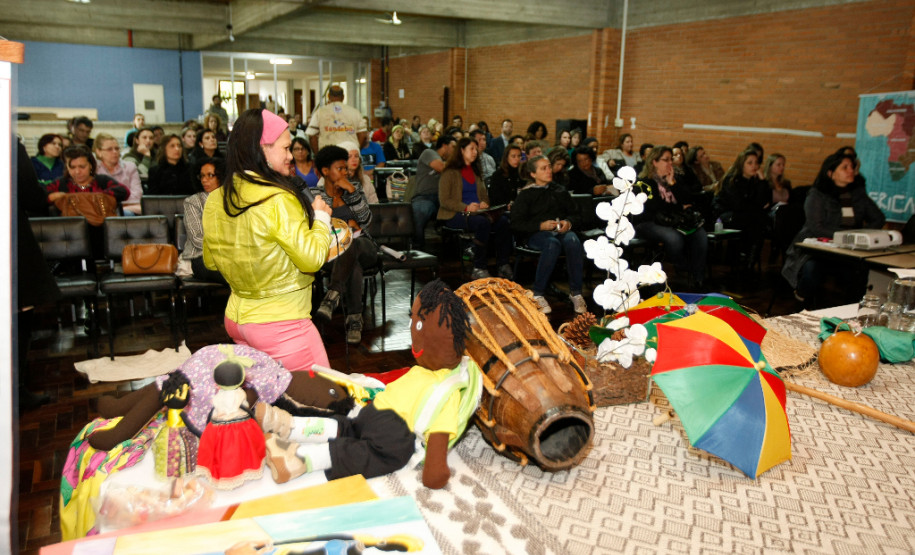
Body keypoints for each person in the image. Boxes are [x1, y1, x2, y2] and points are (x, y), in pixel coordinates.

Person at [255, 279, 477, 489]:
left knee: (346, 427)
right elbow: (438, 436)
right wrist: (435, 471)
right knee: (368, 453)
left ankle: (287, 425)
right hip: (394, 430)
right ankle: (299, 458)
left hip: (373, 411)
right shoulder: (449, 389)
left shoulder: (419, 372)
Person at [203, 108, 333, 373]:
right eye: (285, 148)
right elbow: (311, 259)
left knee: (268, 397)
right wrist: (321, 219)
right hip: (282, 324)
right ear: (262, 149)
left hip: (237, 320)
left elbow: (211, 262)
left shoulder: (216, 198)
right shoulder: (277, 198)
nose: (290, 156)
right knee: (323, 394)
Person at [782, 152, 885, 307]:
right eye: (845, 167)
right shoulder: (817, 195)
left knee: (861, 272)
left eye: (852, 167)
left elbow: (878, 218)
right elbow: (816, 227)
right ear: (831, 173)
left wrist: (863, 236)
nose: (851, 170)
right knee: (812, 270)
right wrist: (847, 237)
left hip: (849, 250)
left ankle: (852, 309)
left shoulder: (858, 194)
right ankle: (802, 299)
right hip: (816, 250)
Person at [312, 146, 378, 345]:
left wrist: (351, 191)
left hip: (364, 246)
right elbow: (314, 228)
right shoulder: (315, 195)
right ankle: (354, 321)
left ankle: (332, 296)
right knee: (353, 266)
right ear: (325, 171)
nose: (345, 173)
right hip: (332, 252)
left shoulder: (354, 188)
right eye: (339, 169)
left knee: (352, 245)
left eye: (345, 169)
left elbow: (366, 220)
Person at [510, 155, 587, 315]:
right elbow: (516, 224)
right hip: (535, 234)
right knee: (552, 243)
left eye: (549, 167)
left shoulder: (559, 190)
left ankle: (576, 293)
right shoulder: (525, 194)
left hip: (560, 232)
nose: (549, 171)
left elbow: (577, 215)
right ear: (533, 174)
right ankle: (538, 294)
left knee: (573, 239)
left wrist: (568, 223)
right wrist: (540, 225)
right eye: (543, 168)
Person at [437, 137, 513, 279]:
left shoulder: (476, 171)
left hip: (478, 212)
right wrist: (466, 207)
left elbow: (484, 196)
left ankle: (503, 264)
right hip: (455, 214)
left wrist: (484, 203)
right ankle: (479, 267)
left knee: (503, 222)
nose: (475, 152)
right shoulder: (449, 172)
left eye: (476, 149)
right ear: (461, 150)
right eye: (471, 149)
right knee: (482, 223)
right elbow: (444, 200)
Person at [634, 146, 708, 288]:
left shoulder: (674, 178)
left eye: (671, 160)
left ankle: (698, 278)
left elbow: (688, 199)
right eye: (666, 160)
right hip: (649, 221)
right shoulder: (645, 182)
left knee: (700, 235)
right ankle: (683, 266)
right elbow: (655, 207)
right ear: (654, 162)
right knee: (674, 238)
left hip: (673, 220)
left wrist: (673, 184)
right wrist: (679, 207)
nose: (670, 163)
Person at [195, 351, 266, 490]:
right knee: (244, 448)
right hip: (241, 425)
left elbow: (213, 410)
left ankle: (224, 472)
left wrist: (208, 424)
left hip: (219, 426)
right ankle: (244, 468)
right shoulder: (240, 393)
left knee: (222, 452)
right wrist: (253, 419)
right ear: (240, 379)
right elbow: (244, 408)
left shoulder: (218, 396)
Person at [714, 148, 770, 266]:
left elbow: (765, 201)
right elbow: (739, 205)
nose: (754, 166)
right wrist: (758, 206)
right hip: (726, 215)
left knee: (759, 220)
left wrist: (763, 181)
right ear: (741, 165)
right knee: (756, 219)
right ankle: (745, 260)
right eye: (750, 163)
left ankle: (748, 260)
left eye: (756, 163)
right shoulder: (731, 180)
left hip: (747, 216)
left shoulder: (755, 181)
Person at [181, 157, 227, 283]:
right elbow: (196, 238)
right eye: (202, 176)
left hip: (230, 256)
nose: (204, 180)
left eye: (210, 175)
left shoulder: (232, 200)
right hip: (202, 257)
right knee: (234, 275)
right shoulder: (193, 202)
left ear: (222, 176)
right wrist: (225, 247)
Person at [46, 145, 129, 205]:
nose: (77, 172)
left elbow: (124, 191)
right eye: (72, 167)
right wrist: (52, 197)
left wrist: (97, 196)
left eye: (82, 167)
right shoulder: (60, 183)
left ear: (90, 165)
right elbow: (42, 197)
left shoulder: (101, 181)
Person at [412, 135, 455, 248]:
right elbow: (441, 167)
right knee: (420, 212)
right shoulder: (429, 153)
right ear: (444, 146)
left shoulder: (450, 163)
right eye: (453, 147)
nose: (455, 150)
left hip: (444, 199)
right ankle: (417, 249)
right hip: (425, 197)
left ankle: (453, 249)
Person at [306, 84, 367, 151]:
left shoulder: (320, 112)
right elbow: (363, 135)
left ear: (328, 96)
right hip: (349, 152)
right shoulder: (355, 112)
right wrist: (356, 149)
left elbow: (312, 135)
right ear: (343, 97)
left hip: (327, 152)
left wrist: (318, 154)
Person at [93, 133, 142, 215]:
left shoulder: (130, 167)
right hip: (101, 211)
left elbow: (137, 195)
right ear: (99, 152)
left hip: (129, 209)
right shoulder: (94, 170)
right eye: (110, 149)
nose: (115, 152)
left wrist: (116, 205)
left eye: (117, 148)